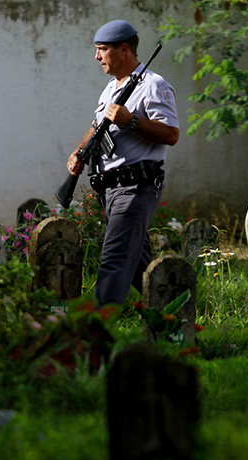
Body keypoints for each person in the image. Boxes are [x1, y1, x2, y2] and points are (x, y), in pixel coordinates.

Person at [67, 20, 180, 306]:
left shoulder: (153, 85)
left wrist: (131, 121)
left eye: (103, 49)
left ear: (124, 49)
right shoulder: (111, 88)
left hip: (135, 189)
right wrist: (79, 152)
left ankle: (94, 336)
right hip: (111, 191)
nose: (97, 56)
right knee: (141, 271)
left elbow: (171, 134)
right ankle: (173, 327)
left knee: (114, 263)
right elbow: (97, 127)